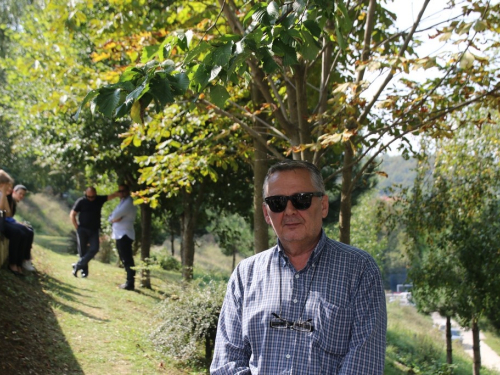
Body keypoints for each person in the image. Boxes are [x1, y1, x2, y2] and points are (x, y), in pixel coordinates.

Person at [211, 160, 387, 374]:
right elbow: (226, 364)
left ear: (323, 205)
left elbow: (363, 366)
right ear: (267, 213)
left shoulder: (359, 270)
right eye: (277, 203)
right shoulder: (245, 275)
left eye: (301, 199)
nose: (289, 210)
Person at [70, 186, 119, 278]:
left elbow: (112, 196)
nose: (91, 198)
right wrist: (77, 227)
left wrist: (121, 193)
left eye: (92, 197)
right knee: (82, 251)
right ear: (86, 194)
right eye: (88, 196)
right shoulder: (81, 201)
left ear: (95, 194)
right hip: (82, 229)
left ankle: (77, 265)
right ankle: (84, 272)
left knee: (95, 248)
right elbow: (72, 214)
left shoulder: (99, 199)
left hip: (94, 230)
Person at [108, 184, 137, 291]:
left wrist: (113, 218)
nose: (120, 193)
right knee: (124, 259)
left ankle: (130, 283)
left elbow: (115, 216)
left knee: (127, 259)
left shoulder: (128, 202)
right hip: (119, 234)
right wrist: (112, 218)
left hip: (125, 234)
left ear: (127, 191)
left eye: (122, 191)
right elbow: (112, 216)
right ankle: (129, 281)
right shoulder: (123, 202)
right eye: (119, 191)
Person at [0, 170, 29, 276]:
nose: (9, 188)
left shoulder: (3, 195)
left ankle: (19, 263)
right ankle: (12, 264)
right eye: (7, 186)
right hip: (2, 222)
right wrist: (3, 194)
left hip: (3, 220)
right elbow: (2, 210)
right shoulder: (1, 194)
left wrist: (4, 195)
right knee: (17, 232)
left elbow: (7, 212)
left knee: (23, 232)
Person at [10, 185, 36, 271]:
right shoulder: (9, 200)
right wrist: (16, 223)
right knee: (24, 231)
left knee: (30, 230)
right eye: (20, 193)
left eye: (23, 195)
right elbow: (6, 216)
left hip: (10, 222)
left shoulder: (13, 202)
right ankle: (21, 260)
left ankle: (26, 258)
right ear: (14, 192)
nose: (21, 196)